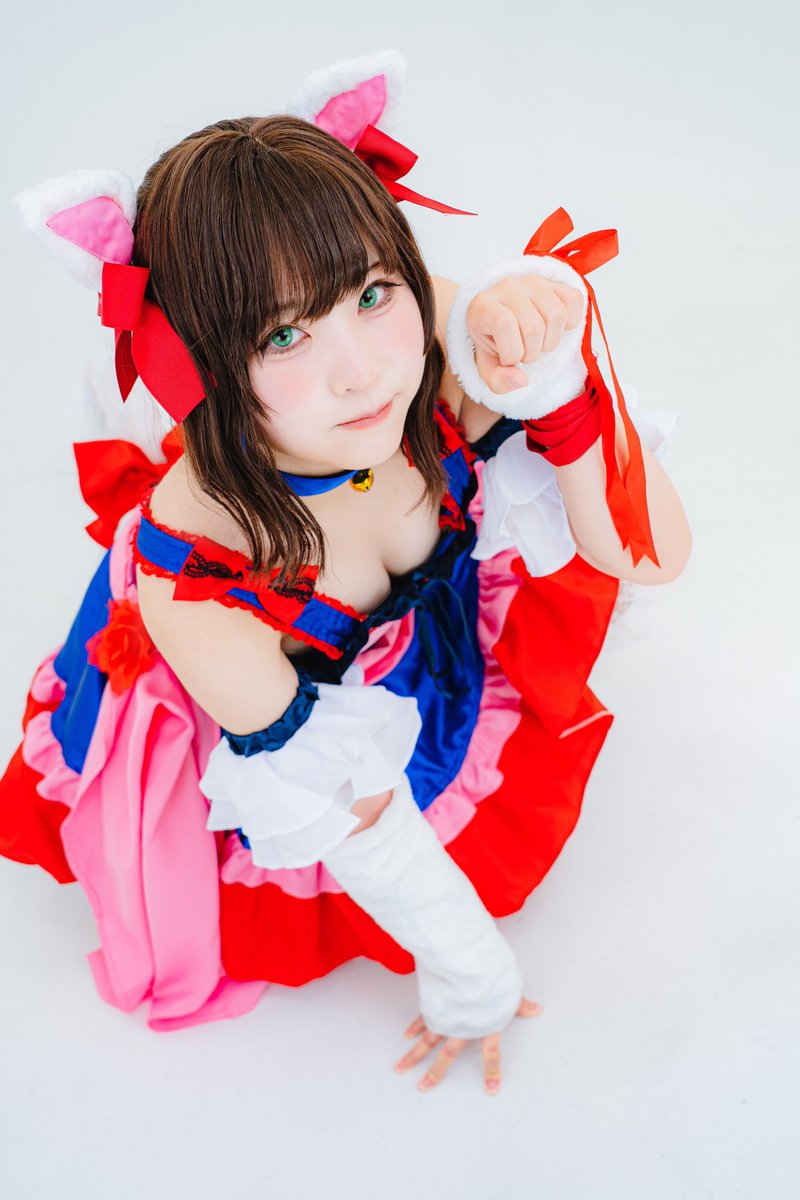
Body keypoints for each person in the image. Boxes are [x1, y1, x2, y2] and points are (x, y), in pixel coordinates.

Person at [0, 49, 691, 1095]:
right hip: (271, 666)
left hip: (404, 635)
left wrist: (559, 384)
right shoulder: (199, 575)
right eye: (282, 334)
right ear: (201, 366)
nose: (362, 371)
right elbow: (358, 818)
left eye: (370, 291)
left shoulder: (433, 343)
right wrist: (469, 975)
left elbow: (651, 556)